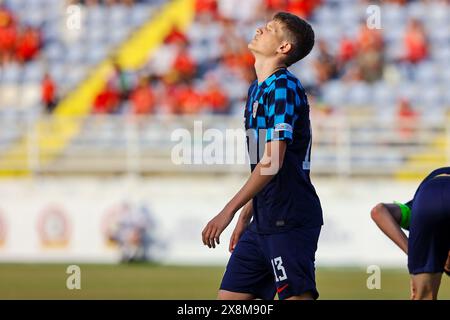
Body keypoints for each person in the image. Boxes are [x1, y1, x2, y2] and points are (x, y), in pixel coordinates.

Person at [201, 12, 323, 300]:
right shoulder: (256, 90)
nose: (259, 29)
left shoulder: (283, 86)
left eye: (269, 29)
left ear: (284, 48)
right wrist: (247, 214)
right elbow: (261, 162)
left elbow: (272, 163)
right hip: (263, 219)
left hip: (289, 218)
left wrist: (228, 211)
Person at [371, 167, 450, 300]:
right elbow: (378, 212)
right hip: (427, 194)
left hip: (428, 194)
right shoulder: (416, 215)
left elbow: (378, 211)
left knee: (424, 296)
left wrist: (415, 253)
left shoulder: (415, 214)